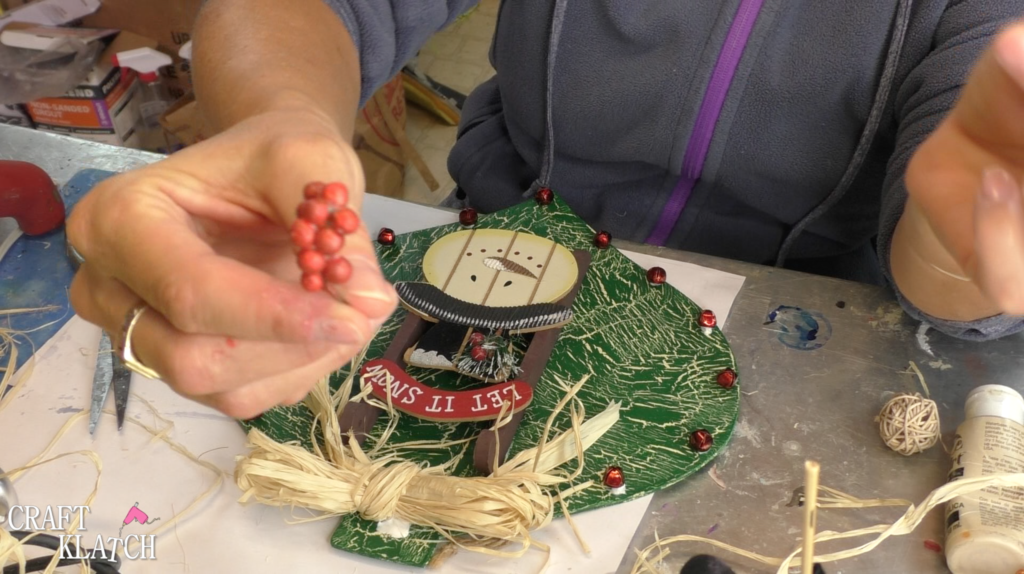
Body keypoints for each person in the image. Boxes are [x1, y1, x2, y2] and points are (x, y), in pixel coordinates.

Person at [66, 0, 1024, 418]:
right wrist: (280, 118)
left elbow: (951, 262)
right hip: (498, 255)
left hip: (805, 331)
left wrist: (978, 215)